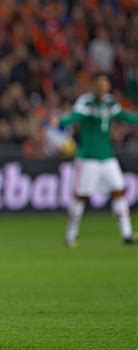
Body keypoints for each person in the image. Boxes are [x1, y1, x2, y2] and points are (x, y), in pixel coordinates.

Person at [59, 72, 138, 247]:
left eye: (105, 83)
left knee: (118, 191)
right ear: (93, 85)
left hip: (107, 157)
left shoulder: (110, 102)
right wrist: (61, 121)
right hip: (87, 158)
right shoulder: (85, 102)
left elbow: (125, 116)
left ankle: (126, 234)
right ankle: (71, 235)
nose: (103, 87)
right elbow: (74, 117)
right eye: (100, 83)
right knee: (81, 197)